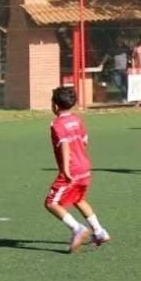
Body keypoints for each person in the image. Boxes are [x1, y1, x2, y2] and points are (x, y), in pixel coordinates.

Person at [44, 86, 109, 253]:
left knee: (51, 203)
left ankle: (77, 228)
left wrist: (65, 169)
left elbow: (65, 144)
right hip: (85, 166)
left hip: (71, 168)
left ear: (55, 106)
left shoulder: (57, 124)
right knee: (78, 199)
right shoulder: (77, 120)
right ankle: (99, 231)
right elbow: (85, 140)